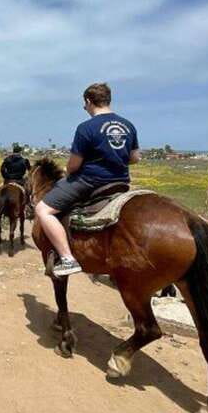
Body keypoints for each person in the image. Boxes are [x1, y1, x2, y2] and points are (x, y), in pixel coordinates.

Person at [35, 82, 140, 278]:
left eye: (85, 105)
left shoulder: (86, 127)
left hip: (90, 181)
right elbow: (134, 158)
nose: (85, 108)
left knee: (43, 210)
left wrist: (68, 170)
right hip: (121, 181)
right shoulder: (128, 125)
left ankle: (67, 258)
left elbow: (74, 165)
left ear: (89, 101)